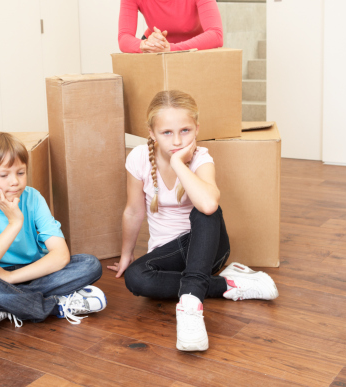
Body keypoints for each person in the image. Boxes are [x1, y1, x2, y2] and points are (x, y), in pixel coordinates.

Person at [108, 90, 277, 352]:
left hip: (209, 248)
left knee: (205, 208)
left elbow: (209, 204)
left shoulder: (201, 158)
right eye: (166, 133)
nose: (177, 140)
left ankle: (190, 306)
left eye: (185, 130)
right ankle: (229, 284)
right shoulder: (139, 158)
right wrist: (127, 254)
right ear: (151, 133)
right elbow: (133, 211)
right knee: (137, 278)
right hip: (169, 255)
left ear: (197, 129)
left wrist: (177, 162)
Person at [0, 132, 106, 331]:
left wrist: (9, 279)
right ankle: (56, 306)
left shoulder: (33, 198)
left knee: (90, 264)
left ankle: (3, 306)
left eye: (20, 172)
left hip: (35, 271)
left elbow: (60, 256)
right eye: (3, 175)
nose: (14, 182)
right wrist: (14, 223)